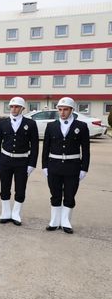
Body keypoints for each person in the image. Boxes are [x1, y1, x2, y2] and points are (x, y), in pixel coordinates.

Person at [42, 97, 90, 234]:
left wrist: (84, 168)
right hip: (54, 165)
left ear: (72, 110)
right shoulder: (51, 126)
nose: (62, 113)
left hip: (72, 166)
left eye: (65, 109)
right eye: (60, 109)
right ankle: (54, 221)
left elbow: (85, 150)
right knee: (55, 194)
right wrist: (44, 166)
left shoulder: (81, 127)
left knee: (69, 195)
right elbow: (46, 148)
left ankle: (66, 221)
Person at [0, 97, 39, 226]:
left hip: (22, 161)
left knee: (20, 188)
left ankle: (16, 213)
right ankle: (5, 212)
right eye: (12, 107)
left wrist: (32, 164)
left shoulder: (30, 124)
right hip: (5, 160)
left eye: (17, 107)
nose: (14, 109)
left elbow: (35, 146)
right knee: (4, 187)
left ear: (22, 108)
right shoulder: (3, 123)